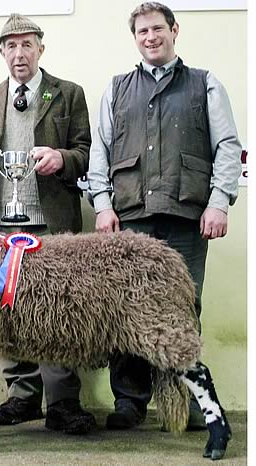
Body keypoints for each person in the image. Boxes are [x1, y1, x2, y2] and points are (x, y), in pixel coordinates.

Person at [88, 2, 241, 431]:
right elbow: (100, 150)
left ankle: (192, 404)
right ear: (134, 38)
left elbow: (227, 146)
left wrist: (218, 201)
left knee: (183, 309)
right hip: (130, 217)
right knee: (125, 310)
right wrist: (103, 205)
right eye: (142, 32)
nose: (150, 37)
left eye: (158, 28)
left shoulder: (205, 84)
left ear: (175, 30)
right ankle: (130, 402)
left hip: (186, 217)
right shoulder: (116, 88)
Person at [0, 13, 94, 434]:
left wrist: (63, 159)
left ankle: (63, 402)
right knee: (7, 311)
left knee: (58, 313)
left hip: (52, 228)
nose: (19, 53)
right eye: (11, 46)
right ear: (2, 52)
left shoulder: (68, 94)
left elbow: (88, 153)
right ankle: (22, 395)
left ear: (40, 49)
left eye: (27, 44)